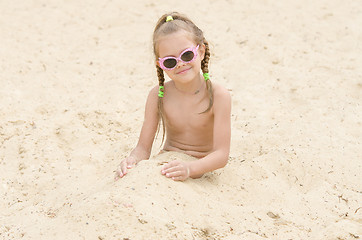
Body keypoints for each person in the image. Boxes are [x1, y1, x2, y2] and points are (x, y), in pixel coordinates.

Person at [115, 12, 231, 181]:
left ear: (201, 51)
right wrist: (131, 160)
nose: (181, 63)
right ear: (160, 65)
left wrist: (190, 169)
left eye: (187, 55)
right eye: (170, 61)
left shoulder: (219, 96)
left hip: (200, 170)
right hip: (166, 165)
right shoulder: (158, 95)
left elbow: (221, 154)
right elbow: (142, 148)